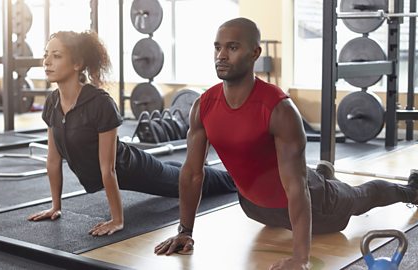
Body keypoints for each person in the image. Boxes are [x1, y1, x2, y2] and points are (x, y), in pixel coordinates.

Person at [153, 17, 418, 269]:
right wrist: (184, 232)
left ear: (255, 53)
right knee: (305, 175)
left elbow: (297, 187)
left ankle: (410, 191)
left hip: (317, 204)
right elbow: (191, 174)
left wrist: (300, 257)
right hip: (254, 207)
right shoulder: (203, 106)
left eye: (232, 48)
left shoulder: (278, 109)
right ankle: (324, 172)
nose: (221, 55)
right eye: (218, 47)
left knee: (361, 196)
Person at [27, 30, 236, 236]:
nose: (46, 62)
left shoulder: (100, 103)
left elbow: (108, 168)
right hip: (123, 170)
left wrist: (117, 220)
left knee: (187, 181)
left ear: (77, 63)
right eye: (46, 55)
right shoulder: (53, 102)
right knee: (177, 169)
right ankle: (192, 168)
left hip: (134, 169)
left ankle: (237, 180)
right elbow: (53, 161)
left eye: (56, 56)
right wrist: (56, 206)